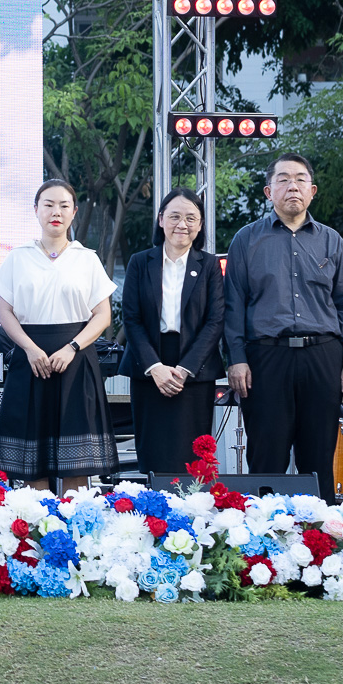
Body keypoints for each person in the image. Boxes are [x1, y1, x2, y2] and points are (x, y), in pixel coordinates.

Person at [223, 152, 343, 485]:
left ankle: (318, 519)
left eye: (300, 180)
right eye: (283, 179)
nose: (293, 187)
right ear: (268, 191)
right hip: (265, 358)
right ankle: (263, 519)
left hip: (322, 356)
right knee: (266, 456)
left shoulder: (332, 240)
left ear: (312, 191)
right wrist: (236, 359)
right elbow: (233, 305)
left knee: (318, 459)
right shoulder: (246, 240)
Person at [0, 179, 119, 489]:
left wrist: (72, 347)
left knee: (77, 466)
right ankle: (38, 517)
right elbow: (4, 313)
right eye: (48, 205)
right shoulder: (18, 257)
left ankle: (76, 519)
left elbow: (102, 315)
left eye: (63, 205)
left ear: (74, 212)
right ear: (36, 210)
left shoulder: (86, 258)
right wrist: (30, 349)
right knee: (33, 467)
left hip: (75, 360)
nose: (55, 212)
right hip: (30, 361)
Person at [121, 188, 225, 477]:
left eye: (191, 218)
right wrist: (154, 367)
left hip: (194, 369)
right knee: (152, 452)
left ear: (200, 225)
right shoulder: (140, 262)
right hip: (148, 366)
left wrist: (185, 369)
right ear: (160, 220)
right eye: (175, 216)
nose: (182, 224)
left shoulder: (209, 265)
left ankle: (193, 503)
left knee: (193, 457)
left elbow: (215, 320)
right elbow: (131, 319)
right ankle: (153, 504)